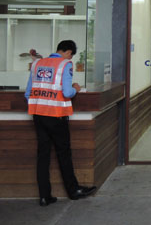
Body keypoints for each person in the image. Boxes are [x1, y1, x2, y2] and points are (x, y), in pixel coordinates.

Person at [25, 40, 97, 206]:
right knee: (63, 154)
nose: (70, 57)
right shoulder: (65, 64)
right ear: (68, 52)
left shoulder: (37, 64)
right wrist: (76, 89)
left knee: (43, 155)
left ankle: (44, 196)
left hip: (38, 115)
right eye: (71, 54)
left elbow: (28, 93)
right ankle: (73, 191)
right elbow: (67, 92)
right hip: (56, 116)